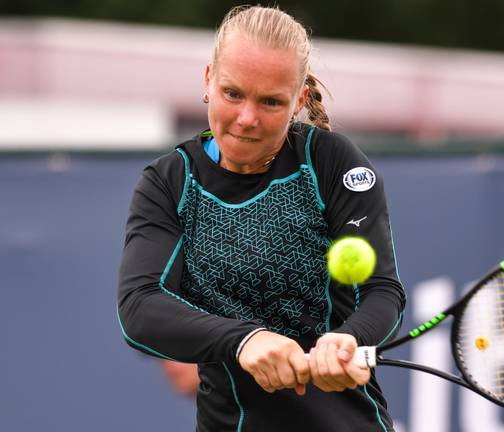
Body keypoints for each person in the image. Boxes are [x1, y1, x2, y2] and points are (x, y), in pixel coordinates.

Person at [117, 5, 406, 431]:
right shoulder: (170, 182)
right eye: (233, 93)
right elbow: (140, 306)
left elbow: (382, 290)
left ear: (298, 102)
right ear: (208, 81)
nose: (246, 119)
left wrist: (350, 338)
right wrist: (245, 340)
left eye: (270, 101)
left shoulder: (331, 163)